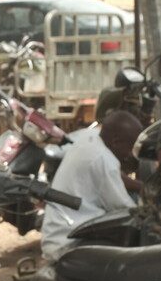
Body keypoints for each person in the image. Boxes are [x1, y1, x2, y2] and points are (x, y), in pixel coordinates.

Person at [41, 111, 144, 262]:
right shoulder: (104, 161)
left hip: (58, 234)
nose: (130, 155)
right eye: (130, 148)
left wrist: (140, 186)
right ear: (116, 141)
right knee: (135, 246)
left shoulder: (90, 137)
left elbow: (115, 177)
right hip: (68, 245)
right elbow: (124, 209)